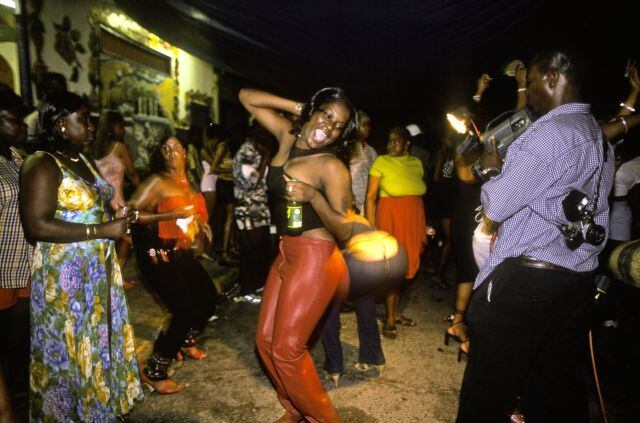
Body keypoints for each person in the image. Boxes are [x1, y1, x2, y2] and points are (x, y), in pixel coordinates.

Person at [457, 49, 615, 422]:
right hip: (575, 282)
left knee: (487, 388)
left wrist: (494, 171)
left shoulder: (550, 134)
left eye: (530, 85)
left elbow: (497, 206)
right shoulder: (598, 138)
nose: (530, 95)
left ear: (553, 78)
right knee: (553, 387)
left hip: (527, 280)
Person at [20, 91, 142, 421]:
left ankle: (97, 410)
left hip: (95, 267)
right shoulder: (41, 163)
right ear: (61, 124)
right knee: (70, 348)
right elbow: (37, 225)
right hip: (65, 276)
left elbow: (90, 207)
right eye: (83, 119)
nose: (90, 127)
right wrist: (103, 231)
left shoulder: (82, 159)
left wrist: (118, 215)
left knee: (96, 340)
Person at [240, 86, 359, 423]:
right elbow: (246, 97)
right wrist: (298, 105)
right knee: (265, 342)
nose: (330, 128)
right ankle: (295, 409)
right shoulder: (287, 135)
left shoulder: (331, 166)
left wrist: (313, 198)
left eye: (339, 126)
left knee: (287, 350)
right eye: (326, 115)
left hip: (316, 258)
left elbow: (345, 231)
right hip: (286, 251)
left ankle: (323, 419)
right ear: (313, 110)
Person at [129, 134, 218, 394]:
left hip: (181, 253)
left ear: (185, 153)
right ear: (160, 154)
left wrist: (202, 226)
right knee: (184, 310)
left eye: (176, 147)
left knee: (209, 297)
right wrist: (170, 214)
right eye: (165, 149)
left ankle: (184, 340)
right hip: (157, 254)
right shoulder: (157, 181)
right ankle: (154, 370)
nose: (171, 152)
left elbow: (193, 216)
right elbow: (129, 212)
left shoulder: (188, 182)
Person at [321, 110, 385, 386]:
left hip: (334, 230)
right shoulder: (352, 155)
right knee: (360, 298)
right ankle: (371, 358)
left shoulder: (321, 161)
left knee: (332, 303)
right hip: (350, 225)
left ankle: (336, 365)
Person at [365, 126, 427, 339]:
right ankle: (390, 318)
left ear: (407, 144)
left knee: (408, 265)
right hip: (391, 218)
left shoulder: (416, 163)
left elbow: (417, 194)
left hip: (413, 218)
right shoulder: (381, 161)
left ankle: (395, 313)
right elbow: (370, 197)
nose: (391, 145)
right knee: (394, 266)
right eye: (389, 140)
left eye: (396, 141)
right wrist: (370, 227)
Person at [0, 84, 32, 418]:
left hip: (24, 265)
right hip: (1, 267)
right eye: (15, 119)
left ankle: (21, 400)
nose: (22, 126)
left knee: (20, 341)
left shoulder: (19, 157)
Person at [93, 110, 140, 289]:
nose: (124, 131)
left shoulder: (93, 150)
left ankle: (110, 277)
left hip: (100, 202)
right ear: (111, 128)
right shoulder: (119, 147)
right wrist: (143, 191)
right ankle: (115, 278)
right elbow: (132, 173)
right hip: (117, 201)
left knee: (112, 241)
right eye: (121, 127)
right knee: (127, 239)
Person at [232, 123, 274, 303]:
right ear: (255, 133)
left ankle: (254, 286)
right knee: (250, 252)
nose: (267, 136)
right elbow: (251, 183)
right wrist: (265, 157)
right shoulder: (247, 152)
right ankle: (247, 290)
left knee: (259, 251)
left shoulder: (257, 150)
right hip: (248, 209)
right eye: (263, 132)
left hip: (260, 209)